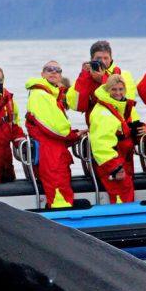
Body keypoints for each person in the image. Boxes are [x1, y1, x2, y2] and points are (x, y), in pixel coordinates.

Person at [25, 61, 86, 208]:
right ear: (42, 74)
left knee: (61, 191)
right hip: (51, 155)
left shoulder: (51, 95)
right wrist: (74, 134)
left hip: (55, 152)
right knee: (58, 194)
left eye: (57, 70)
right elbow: (56, 129)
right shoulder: (41, 95)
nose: (53, 72)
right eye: (49, 69)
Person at [89, 74, 146, 203]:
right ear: (107, 90)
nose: (118, 93)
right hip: (112, 163)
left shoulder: (119, 107)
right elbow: (101, 144)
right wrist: (115, 167)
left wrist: (141, 129)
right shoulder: (103, 112)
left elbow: (124, 130)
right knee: (120, 195)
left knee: (125, 193)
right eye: (114, 89)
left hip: (123, 161)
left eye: (121, 89)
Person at [70, 40, 137, 125]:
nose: (102, 61)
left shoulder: (124, 75)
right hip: (97, 126)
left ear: (111, 58)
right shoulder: (85, 77)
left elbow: (123, 104)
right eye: (98, 58)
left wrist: (103, 80)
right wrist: (84, 75)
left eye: (106, 58)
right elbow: (77, 106)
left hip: (124, 125)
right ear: (91, 59)